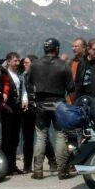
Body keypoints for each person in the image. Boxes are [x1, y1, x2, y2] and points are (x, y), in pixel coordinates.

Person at [27, 38, 75, 180]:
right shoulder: (63, 65)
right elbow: (71, 88)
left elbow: (28, 83)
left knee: (41, 136)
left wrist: (33, 99)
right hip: (58, 103)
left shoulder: (35, 64)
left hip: (41, 103)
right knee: (61, 135)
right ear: (57, 49)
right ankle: (62, 171)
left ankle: (38, 171)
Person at [20, 55, 57, 173]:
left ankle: (52, 161)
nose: (24, 64)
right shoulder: (23, 76)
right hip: (26, 109)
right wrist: (24, 101)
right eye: (24, 62)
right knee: (27, 138)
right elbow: (22, 92)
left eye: (27, 62)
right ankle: (27, 166)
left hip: (38, 108)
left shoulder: (40, 76)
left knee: (43, 136)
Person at [1, 52, 28, 175]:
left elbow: (22, 89)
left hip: (17, 109)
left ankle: (12, 165)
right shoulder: (4, 74)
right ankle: (6, 166)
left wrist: (24, 100)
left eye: (18, 61)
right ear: (8, 62)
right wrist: (4, 104)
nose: (18, 63)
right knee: (7, 138)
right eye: (15, 61)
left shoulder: (19, 75)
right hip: (7, 110)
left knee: (15, 138)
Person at [66, 37, 87, 104]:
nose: (73, 48)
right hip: (71, 100)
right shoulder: (71, 62)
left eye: (76, 46)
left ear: (84, 48)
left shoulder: (89, 63)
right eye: (73, 46)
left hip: (85, 99)